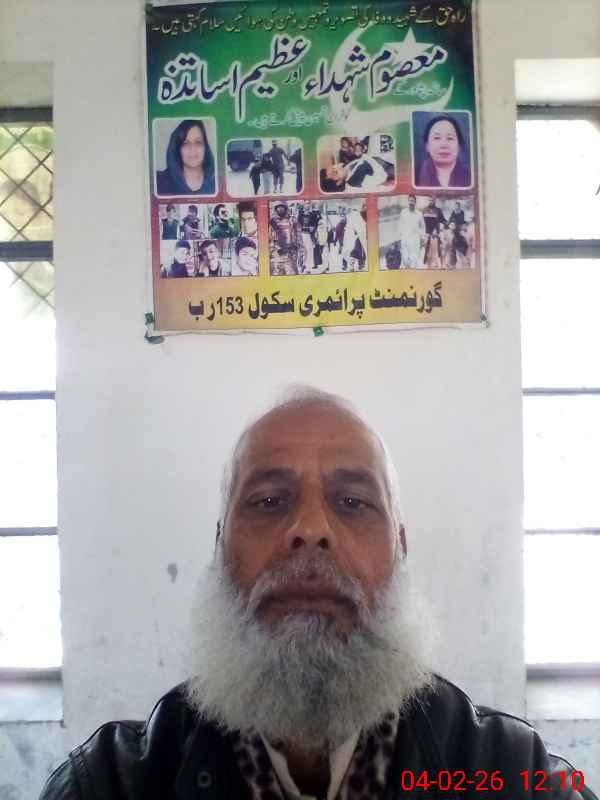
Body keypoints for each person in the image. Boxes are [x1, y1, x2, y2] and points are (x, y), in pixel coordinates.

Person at [39, 387, 597, 800]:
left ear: (399, 549)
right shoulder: (108, 784)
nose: (310, 529)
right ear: (220, 545)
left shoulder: (511, 772)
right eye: (268, 502)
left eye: (353, 503)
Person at [156, 119, 216, 196]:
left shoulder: (219, 180)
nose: (192, 149)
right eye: (186, 143)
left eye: (198, 142)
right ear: (177, 149)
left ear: (206, 147)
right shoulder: (160, 183)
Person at [416, 114, 471, 188]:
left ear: (459, 146)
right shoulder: (414, 176)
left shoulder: (471, 176)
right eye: (437, 138)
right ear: (427, 146)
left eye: (450, 138)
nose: (443, 145)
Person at [399, 194, 425, 268]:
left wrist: (422, 238)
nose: (411, 202)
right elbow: (400, 226)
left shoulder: (419, 214)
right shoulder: (403, 212)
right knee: (405, 261)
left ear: (415, 202)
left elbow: (423, 227)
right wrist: (400, 238)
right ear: (408, 202)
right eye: (410, 201)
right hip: (405, 240)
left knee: (413, 262)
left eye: (412, 201)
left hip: (415, 241)